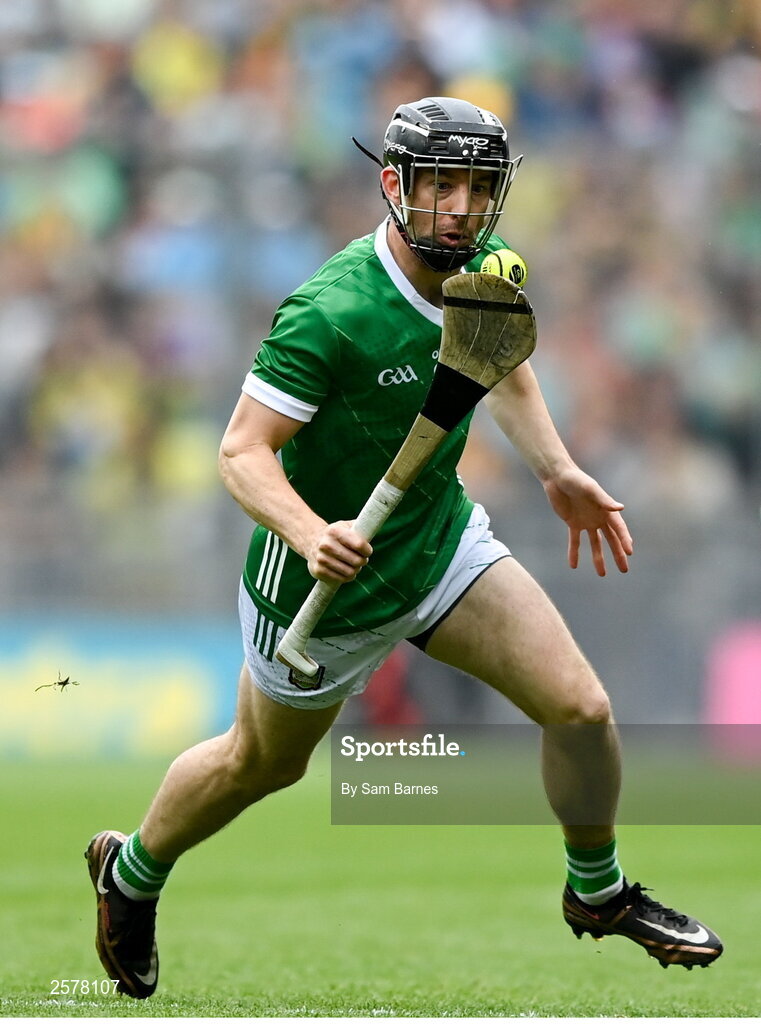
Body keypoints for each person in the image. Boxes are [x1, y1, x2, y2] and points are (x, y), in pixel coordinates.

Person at [85, 96, 722, 999]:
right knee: (259, 765)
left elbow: (496, 353)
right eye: (441, 186)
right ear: (394, 186)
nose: (461, 207)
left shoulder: (483, 271)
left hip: (435, 540)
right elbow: (239, 451)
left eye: (478, 186)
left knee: (579, 709)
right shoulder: (331, 311)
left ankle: (598, 891)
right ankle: (133, 873)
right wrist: (310, 533)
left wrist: (555, 469)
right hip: (320, 586)